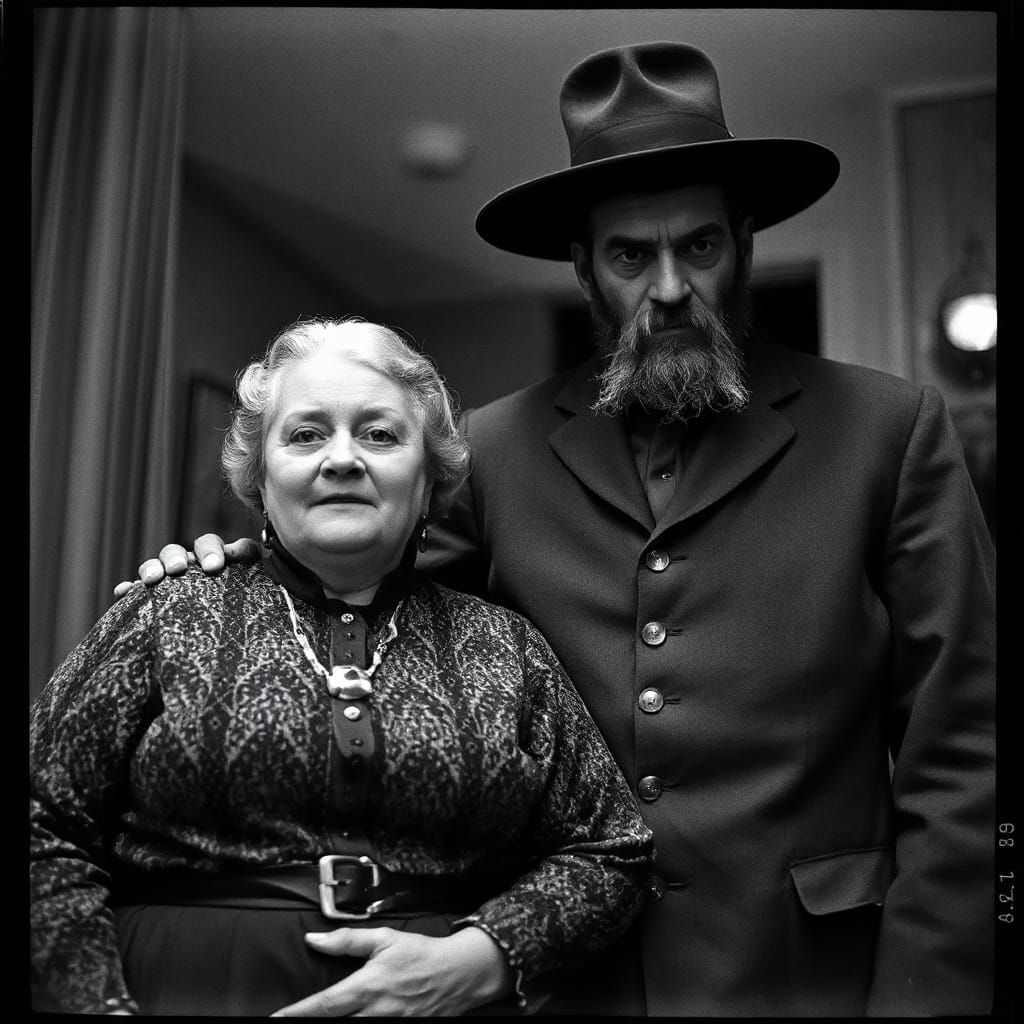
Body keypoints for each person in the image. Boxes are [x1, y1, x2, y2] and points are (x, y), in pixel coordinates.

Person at [122, 42, 996, 1017]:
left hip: (812, 982)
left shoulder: (888, 430)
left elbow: (965, 752)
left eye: (698, 247)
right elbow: (366, 621)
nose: (668, 287)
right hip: (559, 986)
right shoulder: (491, 448)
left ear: (743, 242)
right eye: (631, 255)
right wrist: (229, 577)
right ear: (584, 267)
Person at [31, 316, 654, 1016]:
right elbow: (41, 822)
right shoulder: (164, 615)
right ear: (260, 475)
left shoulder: (504, 647)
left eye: (380, 434)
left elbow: (612, 848)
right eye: (305, 434)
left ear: (430, 480)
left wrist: (485, 956)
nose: (342, 458)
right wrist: (96, 1006)